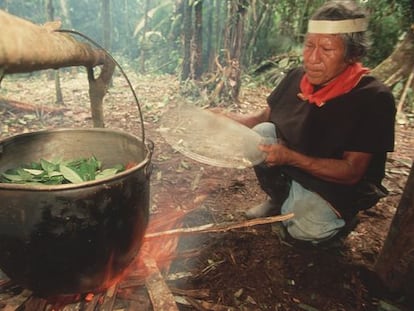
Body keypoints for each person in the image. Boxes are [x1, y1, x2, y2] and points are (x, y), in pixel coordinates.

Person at [218, 0, 396, 244]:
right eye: (309, 45)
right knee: (259, 134)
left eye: (327, 49)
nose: (313, 58)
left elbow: (352, 173)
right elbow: (261, 119)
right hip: (296, 163)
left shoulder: (373, 98)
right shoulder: (297, 77)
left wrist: (289, 157)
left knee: (303, 232)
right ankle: (280, 199)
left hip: (336, 185)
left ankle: (341, 220)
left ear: (351, 54)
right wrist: (224, 119)